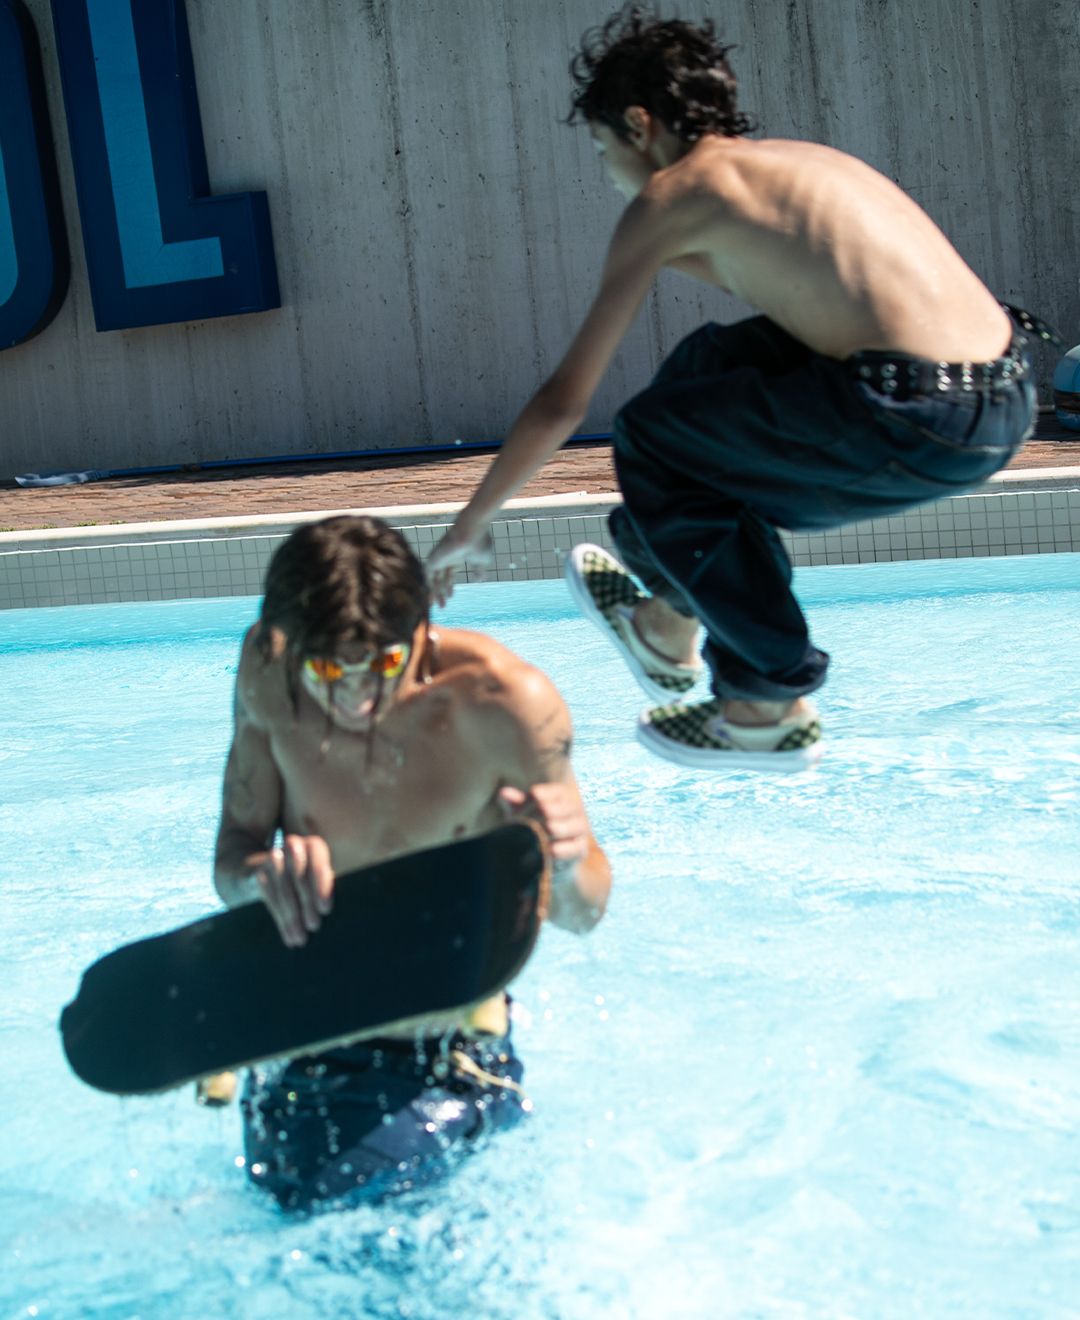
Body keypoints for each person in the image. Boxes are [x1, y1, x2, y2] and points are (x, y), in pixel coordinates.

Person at [427, 4, 1056, 772]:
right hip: (1004, 398)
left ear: (640, 125)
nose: (610, 173)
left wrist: (471, 523)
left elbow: (565, 400)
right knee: (713, 364)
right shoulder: (800, 167)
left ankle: (766, 701)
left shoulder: (674, 195)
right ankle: (667, 623)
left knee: (652, 435)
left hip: (914, 417)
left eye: (603, 148)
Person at [213, 514, 611, 1211]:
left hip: (445, 1045)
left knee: (358, 1212)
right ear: (287, 642)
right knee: (291, 1211)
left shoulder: (506, 705)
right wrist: (261, 879)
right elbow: (232, 859)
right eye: (327, 670)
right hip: (307, 1029)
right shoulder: (267, 674)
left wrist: (569, 859)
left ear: (423, 630)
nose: (357, 696)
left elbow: (583, 915)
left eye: (384, 665)